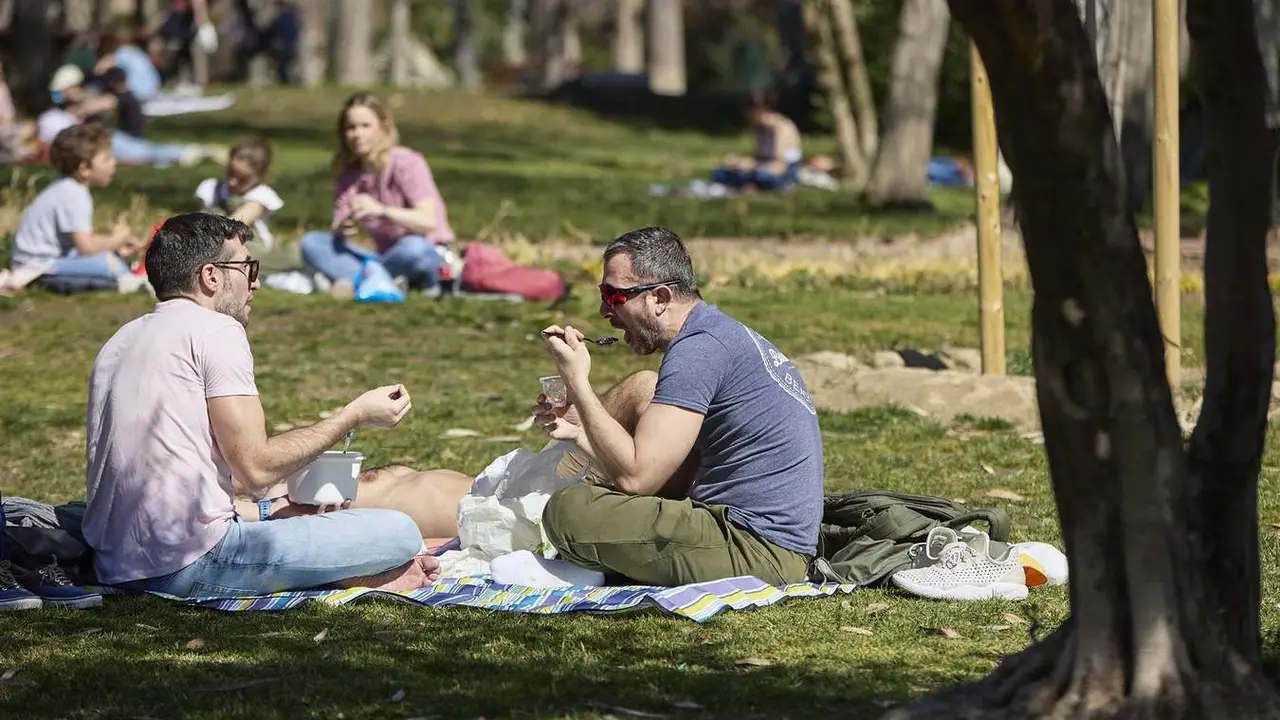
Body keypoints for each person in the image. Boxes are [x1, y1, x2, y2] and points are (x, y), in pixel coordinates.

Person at [82, 213, 471, 599]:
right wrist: (354, 415)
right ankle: (349, 574)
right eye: (247, 268)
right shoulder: (216, 330)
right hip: (188, 563)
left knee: (320, 523)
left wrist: (270, 511)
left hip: (114, 563)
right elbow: (257, 469)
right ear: (211, 276)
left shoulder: (122, 339)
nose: (256, 282)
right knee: (399, 531)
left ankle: (349, 572)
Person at [532, 226, 824, 587]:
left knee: (569, 511)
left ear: (660, 297)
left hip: (759, 550)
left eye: (614, 295)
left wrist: (578, 382)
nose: (604, 310)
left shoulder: (698, 352)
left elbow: (638, 478)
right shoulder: (715, 334)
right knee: (595, 501)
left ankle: (587, 569)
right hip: (767, 542)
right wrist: (579, 432)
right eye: (602, 293)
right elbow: (667, 473)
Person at [300, 92, 455, 296]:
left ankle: (361, 280)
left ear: (383, 128)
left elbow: (428, 221)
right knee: (312, 243)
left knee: (414, 248)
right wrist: (344, 226)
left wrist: (381, 210)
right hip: (386, 258)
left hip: (427, 251)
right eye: (351, 128)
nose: (357, 134)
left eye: (366, 126)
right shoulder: (349, 175)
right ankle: (382, 281)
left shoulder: (406, 162)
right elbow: (337, 227)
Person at [8, 123, 142, 290]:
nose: (114, 163)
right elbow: (86, 248)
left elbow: (82, 242)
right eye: (106, 159)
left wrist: (114, 245)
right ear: (84, 168)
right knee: (109, 263)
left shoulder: (67, 188)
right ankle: (133, 283)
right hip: (38, 267)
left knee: (111, 258)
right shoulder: (74, 194)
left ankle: (125, 277)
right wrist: (115, 240)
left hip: (38, 262)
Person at [195, 136, 283, 250]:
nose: (233, 182)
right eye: (231, 173)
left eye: (243, 179)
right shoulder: (211, 187)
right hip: (212, 244)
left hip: (250, 250)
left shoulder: (261, 195)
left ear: (260, 175)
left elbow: (233, 226)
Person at [711, 93, 803, 193]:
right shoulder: (760, 129)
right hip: (763, 167)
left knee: (762, 176)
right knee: (720, 172)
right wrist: (741, 163)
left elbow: (779, 166)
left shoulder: (781, 128)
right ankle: (751, 184)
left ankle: (753, 184)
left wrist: (751, 166)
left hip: (782, 171)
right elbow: (759, 157)